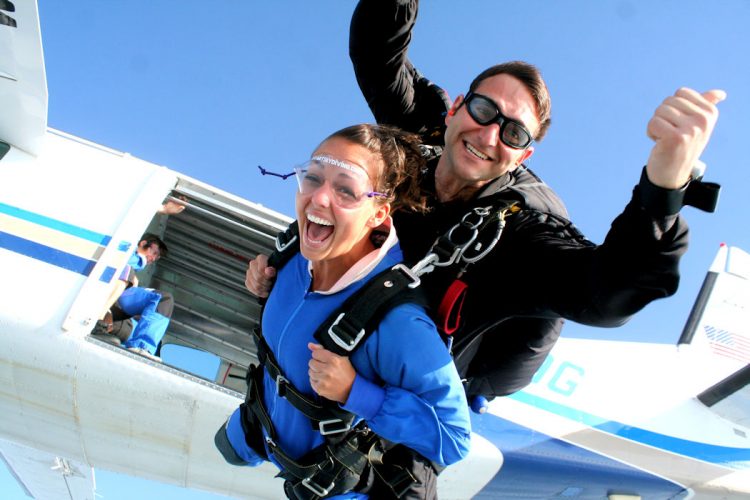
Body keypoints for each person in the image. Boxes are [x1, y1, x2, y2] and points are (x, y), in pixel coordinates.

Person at [247, 0, 724, 401]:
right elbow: (377, 55)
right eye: (482, 110)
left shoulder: (521, 226)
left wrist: (664, 188)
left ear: (523, 156)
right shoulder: (425, 128)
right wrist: (284, 261)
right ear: (455, 108)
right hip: (331, 353)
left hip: (421, 390)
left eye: (513, 132)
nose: (489, 134)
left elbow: (604, 297)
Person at [216, 124, 471, 499]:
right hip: (266, 422)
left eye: (346, 190)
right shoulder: (293, 250)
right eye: (313, 178)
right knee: (226, 450)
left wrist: (358, 392)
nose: (319, 198)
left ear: (378, 214)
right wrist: (262, 285)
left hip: (333, 477)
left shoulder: (398, 324)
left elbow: (454, 438)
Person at [92, 233, 174, 363]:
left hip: (117, 307)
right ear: (142, 243)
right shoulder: (126, 251)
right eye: (154, 252)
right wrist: (140, 260)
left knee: (162, 301)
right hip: (98, 291)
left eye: (157, 257)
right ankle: (98, 321)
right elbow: (122, 259)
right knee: (128, 272)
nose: (153, 258)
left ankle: (141, 348)